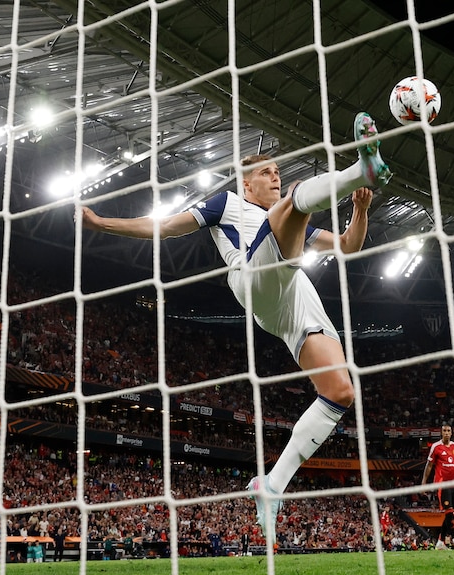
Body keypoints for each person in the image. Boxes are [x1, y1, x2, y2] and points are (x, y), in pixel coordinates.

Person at [81, 112, 391, 539]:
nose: (275, 175)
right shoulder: (228, 203)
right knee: (295, 202)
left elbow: (348, 247)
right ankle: (361, 168)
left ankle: (273, 484)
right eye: (266, 172)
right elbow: (167, 227)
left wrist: (359, 210)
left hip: (298, 302)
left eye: (277, 171)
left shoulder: (293, 222)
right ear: (247, 184)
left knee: (340, 393)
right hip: (254, 278)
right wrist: (102, 224)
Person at [421, 423, 454, 550]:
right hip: (441, 483)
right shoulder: (436, 447)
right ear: (441, 433)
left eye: (448, 431)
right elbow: (429, 466)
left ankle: (440, 543)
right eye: (444, 430)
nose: (446, 433)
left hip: (453, 484)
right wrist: (424, 483)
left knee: (449, 514)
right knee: (449, 512)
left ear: (451, 433)